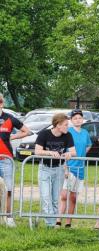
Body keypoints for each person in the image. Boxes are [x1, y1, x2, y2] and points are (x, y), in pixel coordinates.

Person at [34, 113, 76, 227]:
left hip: (59, 169)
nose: (68, 127)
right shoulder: (44, 134)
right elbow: (37, 151)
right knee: (46, 197)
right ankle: (50, 224)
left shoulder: (68, 135)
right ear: (58, 125)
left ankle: (51, 225)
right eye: (66, 125)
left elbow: (74, 152)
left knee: (55, 199)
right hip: (45, 169)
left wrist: (69, 153)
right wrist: (50, 152)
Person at [56, 109, 92, 228]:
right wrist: (65, 167)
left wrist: (82, 155)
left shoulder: (85, 133)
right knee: (64, 195)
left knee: (73, 197)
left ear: (83, 119)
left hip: (80, 169)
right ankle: (58, 220)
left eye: (79, 118)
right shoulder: (68, 132)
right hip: (69, 167)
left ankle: (68, 223)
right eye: (75, 118)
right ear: (71, 120)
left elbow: (88, 145)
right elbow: (64, 150)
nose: (78, 120)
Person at [0, 94, 30, 227]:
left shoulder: (10, 118)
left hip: (6, 159)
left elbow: (26, 131)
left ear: (2, 104)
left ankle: (9, 217)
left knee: (9, 189)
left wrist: (12, 137)